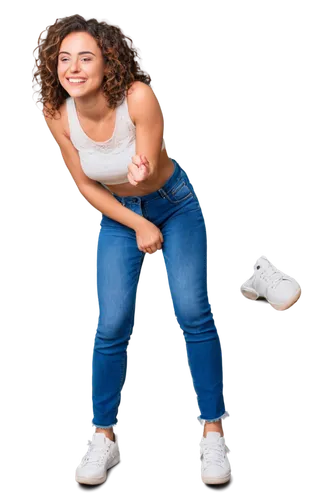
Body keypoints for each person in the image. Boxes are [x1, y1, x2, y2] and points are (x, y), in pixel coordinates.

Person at [32, 13, 233, 491]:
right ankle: (102, 434)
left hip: (174, 204)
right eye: (64, 59)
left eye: (86, 57)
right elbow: (84, 184)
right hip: (120, 215)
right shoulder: (55, 111)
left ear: (108, 62)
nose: (73, 68)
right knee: (111, 322)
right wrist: (137, 221)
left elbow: (149, 162)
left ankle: (213, 430)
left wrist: (142, 173)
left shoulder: (137, 96)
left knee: (191, 310)